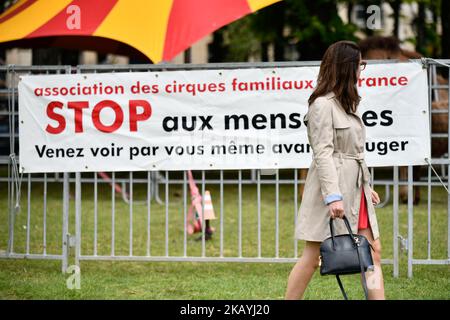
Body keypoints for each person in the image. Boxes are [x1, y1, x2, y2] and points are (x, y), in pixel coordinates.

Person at [285, 40, 385, 300]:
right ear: (346, 67)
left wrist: (366, 186)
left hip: (357, 190)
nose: (361, 70)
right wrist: (333, 196)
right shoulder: (322, 105)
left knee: (373, 251)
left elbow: (352, 153)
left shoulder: (348, 103)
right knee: (312, 257)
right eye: (360, 65)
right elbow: (324, 153)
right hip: (331, 191)